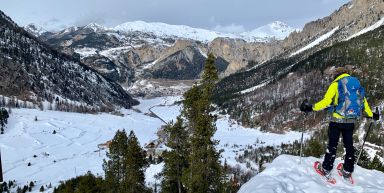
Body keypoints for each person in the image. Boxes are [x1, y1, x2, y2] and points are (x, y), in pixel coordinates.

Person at [300, 66, 380, 179]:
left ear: (336, 75)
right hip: (350, 122)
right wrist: (372, 115)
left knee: (332, 145)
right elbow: (363, 102)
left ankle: (326, 168)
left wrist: (311, 108)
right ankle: (347, 170)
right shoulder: (356, 86)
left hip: (336, 120)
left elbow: (326, 102)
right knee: (349, 146)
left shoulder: (336, 84)